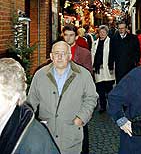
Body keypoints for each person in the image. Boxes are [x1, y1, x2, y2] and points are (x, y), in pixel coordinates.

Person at [27, 41, 98, 154]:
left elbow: (91, 98)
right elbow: (31, 101)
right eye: (56, 53)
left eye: (63, 53)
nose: (59, 57)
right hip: (46, 134)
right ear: (51, 56)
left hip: (71, 133)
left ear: (70, 56)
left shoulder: (83, 75)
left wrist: (81, 118)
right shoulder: (40, 75)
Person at [0, 58, 60, 154]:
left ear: (14, 98)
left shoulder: (35, 143)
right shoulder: (40, 74)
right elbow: (33, 99)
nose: (59, 57)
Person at [61, 24, 93, 154]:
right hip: (61, 96)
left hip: (78, 97)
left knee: (80, 127)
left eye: (71, 35)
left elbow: (89, 75)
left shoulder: (84, 53)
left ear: (76, 36)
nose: (68, 38)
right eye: (66, 35)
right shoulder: (58, 51)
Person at [91, 25, 115, 113]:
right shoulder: (95, 43)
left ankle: (112, 105)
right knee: (100, 89)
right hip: (98, 70)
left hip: (108, 69)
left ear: (107, 33)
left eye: (104, 32)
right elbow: (92, 55)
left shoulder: (111, 42)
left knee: (109, 89)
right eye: (100, 32)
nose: (102, 34)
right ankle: (102, 106)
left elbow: (113, 55)